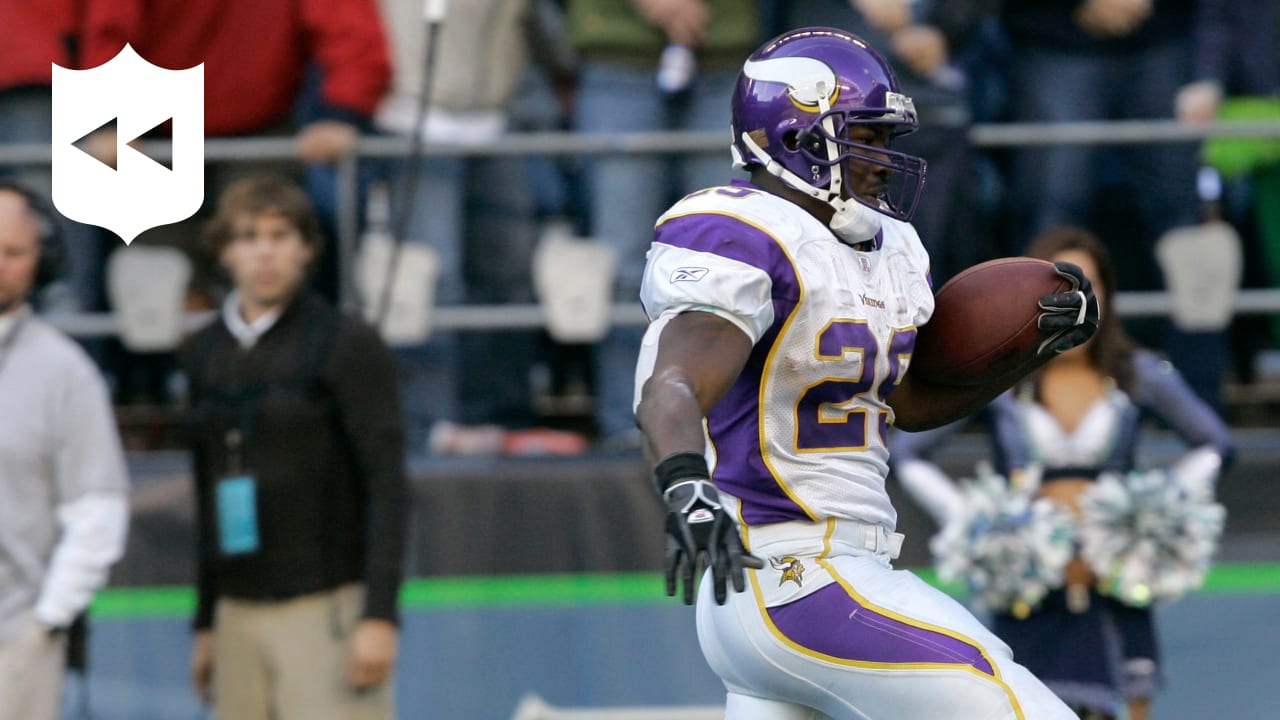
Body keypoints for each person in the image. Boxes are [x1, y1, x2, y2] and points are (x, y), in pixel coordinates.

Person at [632, 28, 1099, 719]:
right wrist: (684, 484)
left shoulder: (891, 248)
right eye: (866, 138)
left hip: (812, 581)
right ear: (795, 136)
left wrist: (1027, 352)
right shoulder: (743, 233)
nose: (883, 161)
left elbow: (904, 404)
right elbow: (671, 383)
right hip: (796, 574)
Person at [889, 226, 1235, 720]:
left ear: (1108, 295)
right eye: (1060, 290)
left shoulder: (1138, 372)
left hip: (1116, 580)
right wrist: (976, 522)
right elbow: (908, 452)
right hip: (1028, 586)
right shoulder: (1001, 377)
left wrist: (1149, 516)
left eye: (1088, 287)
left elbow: (1216, 445)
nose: (1075, 302)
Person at [181, 176, 408, 719]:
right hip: (238, 609)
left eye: (281, 235)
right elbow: (205, 490)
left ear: (307, 248)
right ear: (224, 249)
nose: (264, 250)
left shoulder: (346, 342)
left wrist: (379, 615)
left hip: (327, 605)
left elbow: (388, 483)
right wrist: (207, 621)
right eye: (249, 235)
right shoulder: (202, 350)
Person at [0, 179, 130, 720]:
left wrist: (46, 623)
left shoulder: (65, 372)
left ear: (42, 262)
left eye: (12, 252)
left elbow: (99, 507)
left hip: (13, 642)